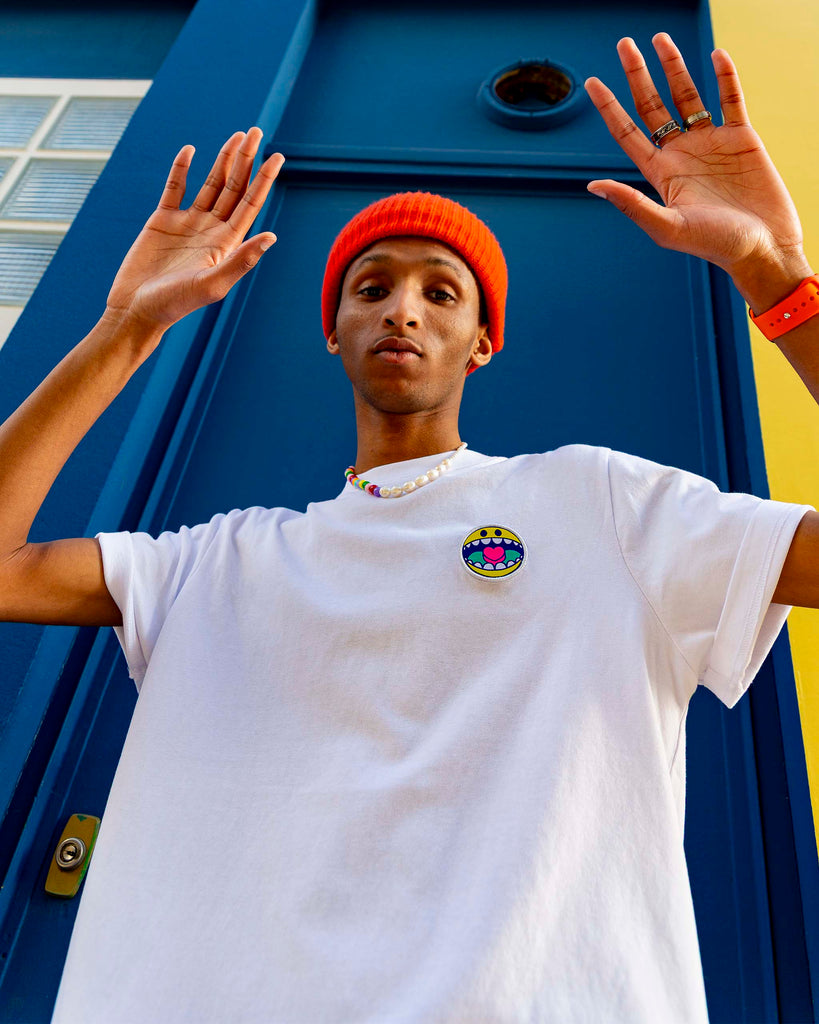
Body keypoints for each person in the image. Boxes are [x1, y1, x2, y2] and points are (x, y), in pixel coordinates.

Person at [0, 31, 817, 1024]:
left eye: (442, 291)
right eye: (371, 286)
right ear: (333, 327)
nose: (404, 310)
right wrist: (125, 325)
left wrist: (784, 289)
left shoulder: (604, 507)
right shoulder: (215, 564)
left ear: (483, 341)